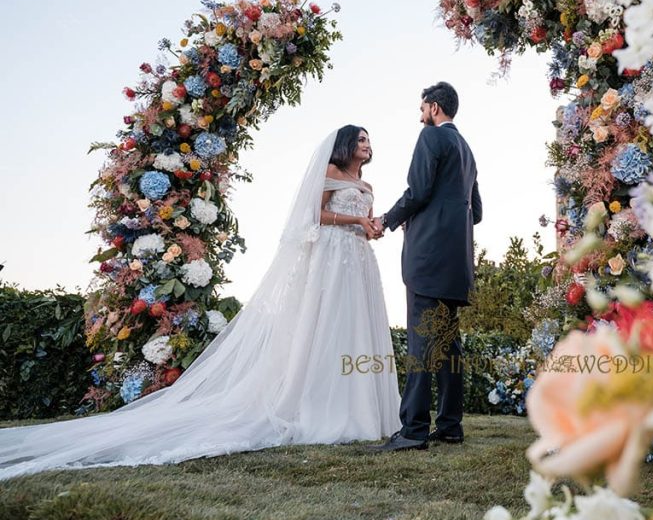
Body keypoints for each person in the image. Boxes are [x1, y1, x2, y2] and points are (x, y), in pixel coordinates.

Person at [0, 125, 401, 480]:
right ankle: (321, 406)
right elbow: (310, 216)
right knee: (326, 324)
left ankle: (361, 408)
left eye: (369, 140)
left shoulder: (367, 186)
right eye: (361, 139)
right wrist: (354, 222)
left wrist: (372, 227)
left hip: (358, 259)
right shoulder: (329, 174)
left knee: (356, 328)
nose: (367, 145)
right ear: (346, 146)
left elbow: (364, 223)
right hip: (331, 257)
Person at [370, 81, 482, 452]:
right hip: (457, 261)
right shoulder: (467, 151)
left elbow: (417, 192)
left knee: (421, 343)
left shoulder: (431, 139)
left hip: (428, 257)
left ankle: (414, 429)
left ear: (434, 108)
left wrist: (387, 220)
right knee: (449, 344)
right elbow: (476, 212)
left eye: (422, 109)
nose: (420, 117)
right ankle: (450, 425)